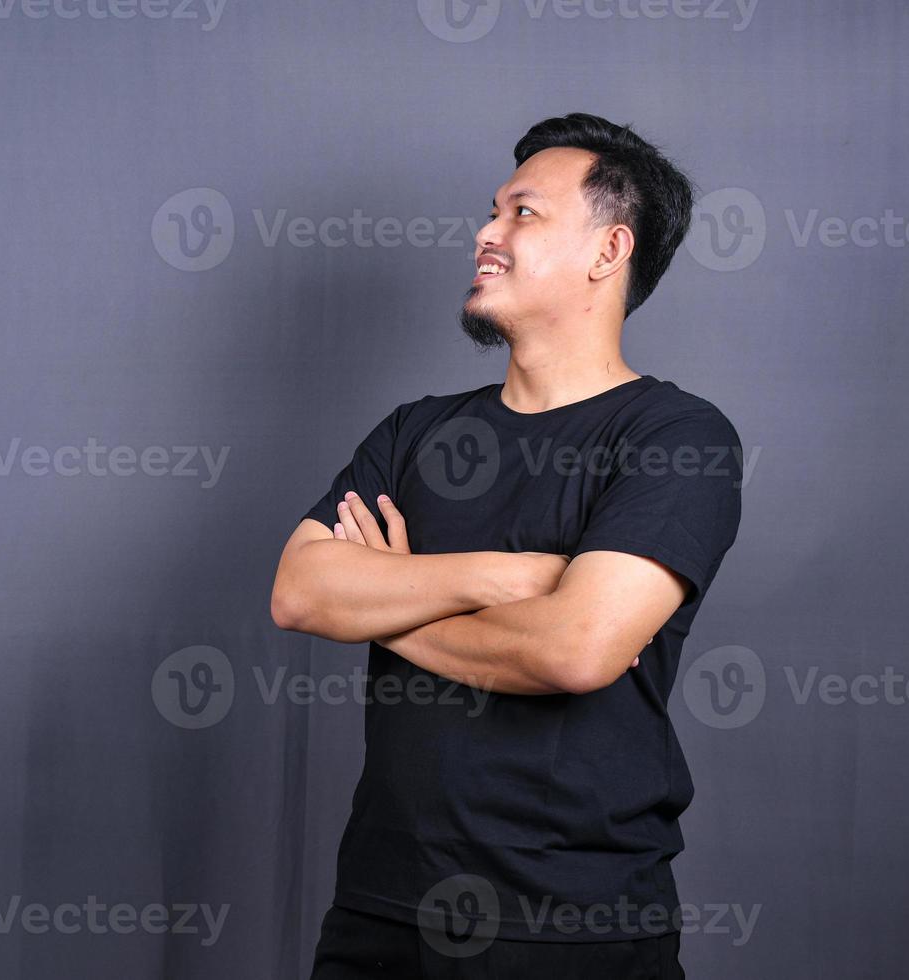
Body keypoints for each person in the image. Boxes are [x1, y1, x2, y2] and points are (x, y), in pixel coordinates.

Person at [271, 112, 744, 979]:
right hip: (381, 912)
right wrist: (505, 579)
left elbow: (575, 649)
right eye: (493, 211)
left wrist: (389, 596)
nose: (486, 232)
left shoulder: (676, 437)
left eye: (524, 213)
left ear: (609, 252)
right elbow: (300, 594)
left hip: (573, 928)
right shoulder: (416, 432)